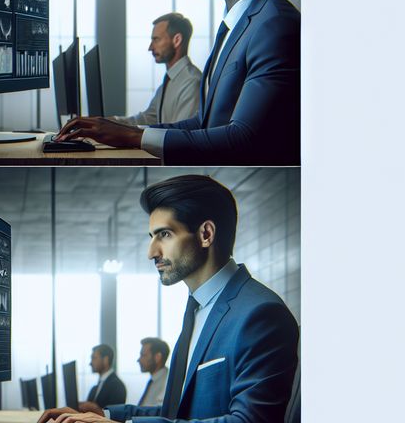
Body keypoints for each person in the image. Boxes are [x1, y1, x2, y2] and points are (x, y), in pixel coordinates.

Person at [38, 174, 298, 422]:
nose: (151, 252)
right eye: (152, 237)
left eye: (164, 234)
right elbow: (177, 412)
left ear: (206, 234)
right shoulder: (197, 308)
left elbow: (251, 421)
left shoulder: (261, 314)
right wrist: (103, 416)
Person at [58, 0, 300, 166]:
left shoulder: (275, 24)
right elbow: (203, 123)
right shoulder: (236, 24)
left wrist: (132, 136)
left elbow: (245, 138)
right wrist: (117, 132)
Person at [110, 14, 201, 125]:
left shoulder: (191, 82)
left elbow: (180, 135)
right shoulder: (169, 81)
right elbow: (148, 118)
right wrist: (109, 123)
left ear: (177, 40)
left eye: (156, 39)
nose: (150, 47)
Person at [81, 344, 127, 410]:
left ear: (106, 360)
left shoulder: (118, 386)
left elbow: (115, 416)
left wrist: (95, 408)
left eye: (94, 358)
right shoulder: (95, 388)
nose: (90, 363)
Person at [134, 338, 169, 407]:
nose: (138, 360)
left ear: (157, 357)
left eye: (143, 355)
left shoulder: (167, 382)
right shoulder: (154, 380)